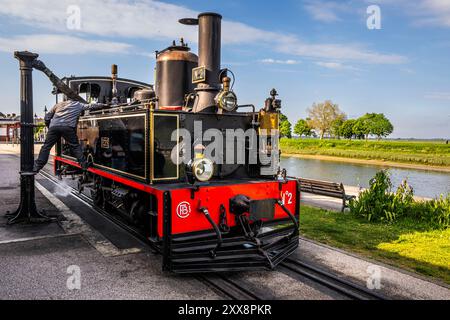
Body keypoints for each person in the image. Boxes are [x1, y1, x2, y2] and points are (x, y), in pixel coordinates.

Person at [33, 99, 107, 173]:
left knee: (46, 147)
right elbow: (91, 106)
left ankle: (37, 167)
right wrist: (103, 105)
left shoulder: (58, 105)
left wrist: (49, 127)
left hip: (54, 127)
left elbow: (47, 117)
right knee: (75, 146)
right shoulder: (78, 104)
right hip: (67, 128)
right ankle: (84, 165)